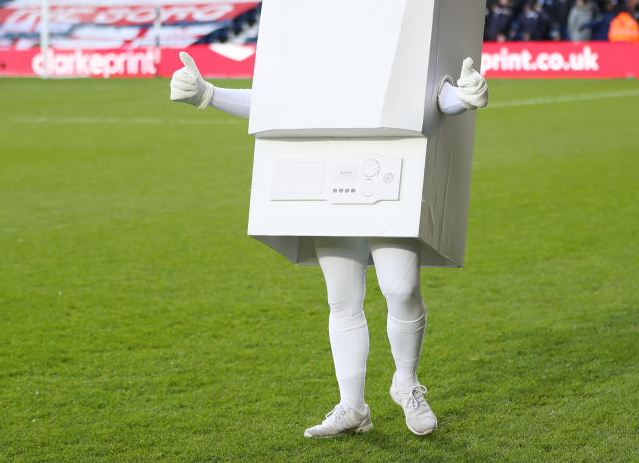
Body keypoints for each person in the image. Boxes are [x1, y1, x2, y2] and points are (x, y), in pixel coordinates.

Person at [168, 52, 490, 437]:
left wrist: (460, 98)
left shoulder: (389, 24)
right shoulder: (316, 35)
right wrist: (208, 94)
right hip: (326, 170)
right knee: (342, 298)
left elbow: (422, 95)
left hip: (391, 165)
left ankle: (406, 383)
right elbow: (281, 103)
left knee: (401, 288)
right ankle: (353, 407)